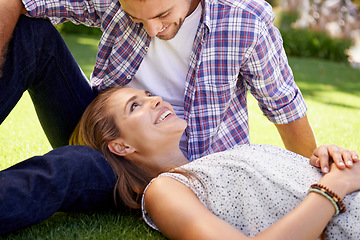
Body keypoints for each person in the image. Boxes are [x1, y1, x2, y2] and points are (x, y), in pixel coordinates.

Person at [0, 0, 355, 234]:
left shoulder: (243, 20)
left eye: (160, 15)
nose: (151, 30)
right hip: (112, 131)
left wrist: (310, 174)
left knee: (77, 164)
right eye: (137, 18)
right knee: (35, 34)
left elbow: (285, 107)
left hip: (182, 171)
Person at [69, 86, 360, 239]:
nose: (155, 99)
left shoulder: (212, 162)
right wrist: (332, 188)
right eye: (135, 106)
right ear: (121, 146)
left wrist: (323, 162)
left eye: (147, 95)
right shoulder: (163, 191)